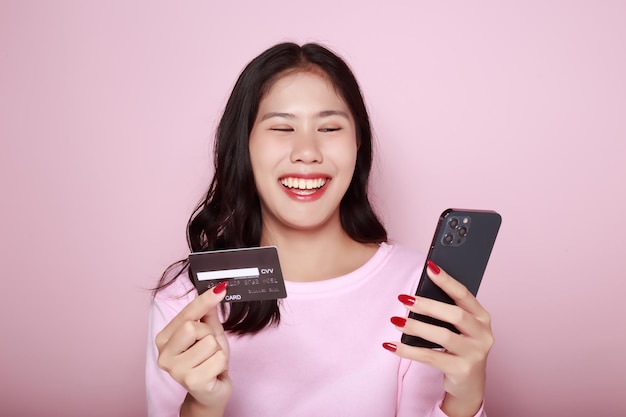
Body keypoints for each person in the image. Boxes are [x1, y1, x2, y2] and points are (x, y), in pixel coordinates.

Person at [145, 42, 493, 417]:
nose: (307, 151)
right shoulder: (188, 297)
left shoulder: (422, 290)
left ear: (358, 142)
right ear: (243, 145)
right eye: (281, 127)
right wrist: (201, 405)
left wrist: (465, 399)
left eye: (329, 127)